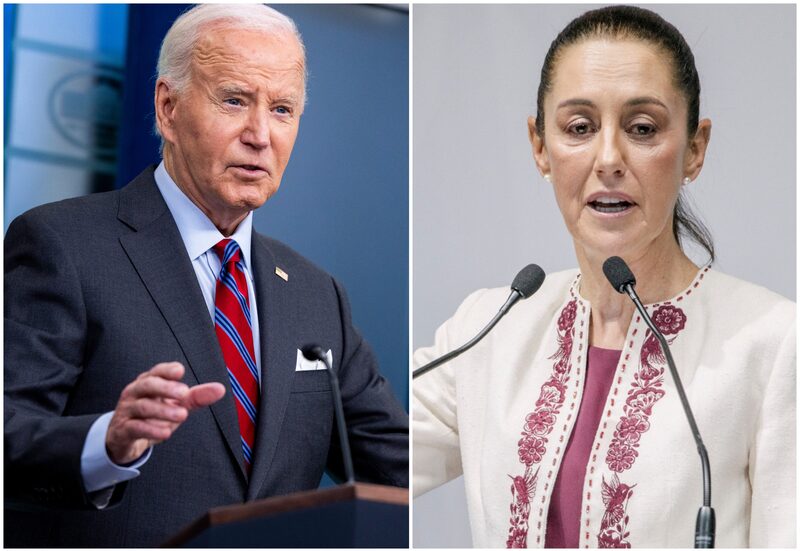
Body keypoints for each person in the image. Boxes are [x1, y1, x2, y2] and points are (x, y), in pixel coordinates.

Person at [5, 4, 408, 547]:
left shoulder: (317, 295)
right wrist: (108, 442)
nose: (260, 134)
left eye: (283, 109)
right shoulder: (63, 246)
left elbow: (402, 465)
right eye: (235, 100)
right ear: (168, 109)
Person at [413, 5, 794, 548]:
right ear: (540, 146)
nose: (609, 158)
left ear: (694, 148)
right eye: (579, 128)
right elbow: (366, 448)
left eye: (642, 128)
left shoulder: (775, 344)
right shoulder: (489, 329)